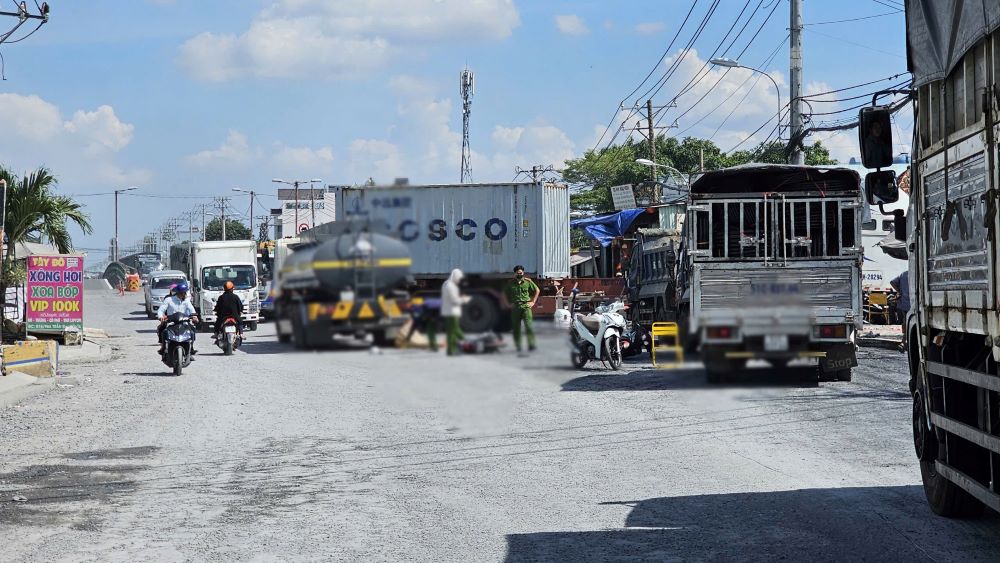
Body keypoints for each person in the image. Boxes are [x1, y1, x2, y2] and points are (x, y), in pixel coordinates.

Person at [502, 265, 541, 353]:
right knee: (516, 328)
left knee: (529, 326)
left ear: (523, 273)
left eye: (521, 273)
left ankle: (531, 345)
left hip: (526, 307)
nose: (519, 274)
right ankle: (518, 346)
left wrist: (533, 302)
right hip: (515, 307)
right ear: (514, 273)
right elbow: (504, 293)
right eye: (518, 273)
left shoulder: (528, 282)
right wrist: (507, 304)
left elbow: (537, 290)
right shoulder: (510, 283)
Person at [157, 282, 199, 355]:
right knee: (163, 331)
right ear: (178, 293)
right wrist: (160, 316)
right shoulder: (169, 300)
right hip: (171, 322)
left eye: (185, 293)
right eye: (182, 293)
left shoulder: (186, 301)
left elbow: (192, 310)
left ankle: (191, 347)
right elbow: (161, 310)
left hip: (184, 322)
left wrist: (194, 317)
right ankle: (163, 347)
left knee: (192, 331)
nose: (184, 294)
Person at [441, 268, 470, 356]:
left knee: (451, 331)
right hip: (453, 312)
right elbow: (454, 300)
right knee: (453, 331)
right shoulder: (451, 286)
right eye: (458, 278)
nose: (459, 280)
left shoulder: (446, 284)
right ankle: (453, 349)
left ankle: (451, 349)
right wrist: (464, 300)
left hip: (448, 311)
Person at [890, 271, 910, 350]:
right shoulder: (917, 273)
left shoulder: (904, 274)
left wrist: (899, 291)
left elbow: (892, 282)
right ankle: (904, 342)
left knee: (905, 323)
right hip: (914, 304)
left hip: (904, 304)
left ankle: (903, 342)